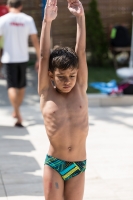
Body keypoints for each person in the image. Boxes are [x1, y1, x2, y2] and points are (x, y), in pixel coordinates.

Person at [38, 0, 88, 199]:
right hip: (55, 164)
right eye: (61, 77)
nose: (68, 82)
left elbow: (81, 51)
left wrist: (80, 18)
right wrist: (47, 21)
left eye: (72, 76)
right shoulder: (46, 93)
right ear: (51, 75)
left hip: (78, 164)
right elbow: (43, 56)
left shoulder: (80, 88)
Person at [0, 0, 40, 127]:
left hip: (8, 58)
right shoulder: (27, 19)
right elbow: (35, 39)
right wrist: (39, 58)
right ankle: (17, 111)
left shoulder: (3, 20)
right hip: (23, 58)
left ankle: (17, 112)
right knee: (21, 86)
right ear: (21, 6)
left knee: (11, 86)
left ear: (8, 6)